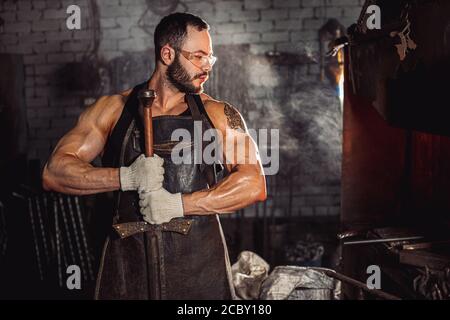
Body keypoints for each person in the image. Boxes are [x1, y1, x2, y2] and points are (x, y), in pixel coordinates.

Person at [42, 12, 266, 300]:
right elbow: (54, 172)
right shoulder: (112, 109)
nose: (207, 67)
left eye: (210, 58)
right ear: (167, 53)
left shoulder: (218, 114)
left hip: (200, 276)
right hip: (125, 273)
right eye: (198, 57)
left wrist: (178, 204)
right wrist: (126, 177)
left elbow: (253, 184)